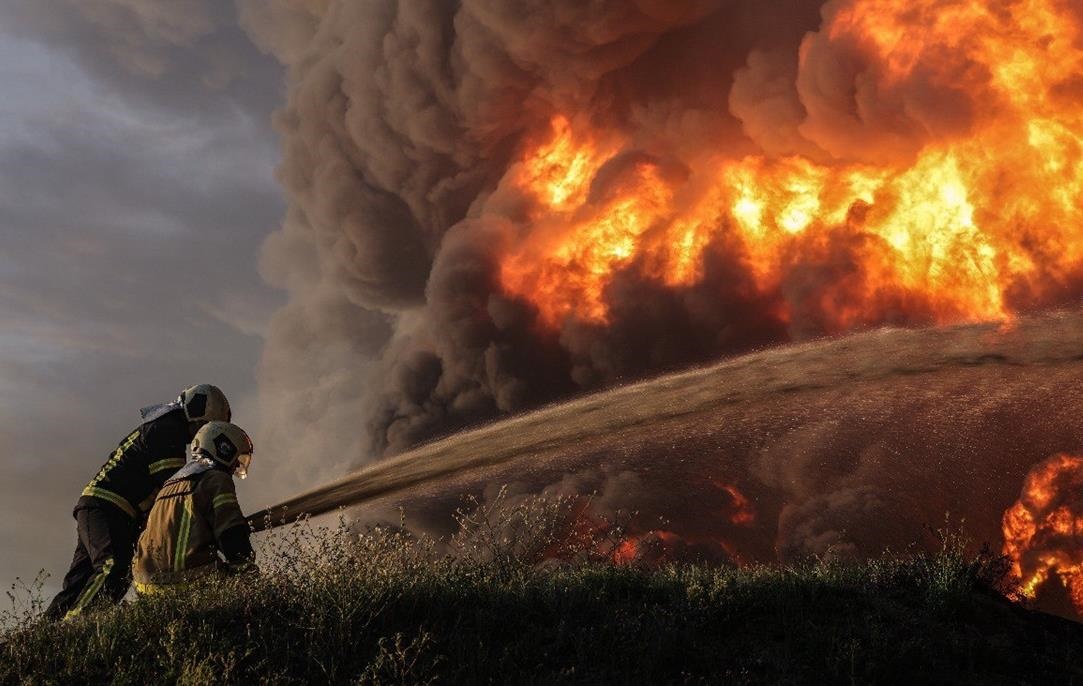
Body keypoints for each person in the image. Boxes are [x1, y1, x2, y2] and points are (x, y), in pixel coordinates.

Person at [44, 384, 231, 620]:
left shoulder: (162, 426)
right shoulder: (168, 430)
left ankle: (41, 635)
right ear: (198, 415)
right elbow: (172, 490)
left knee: (79, 580)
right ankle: (76, 629)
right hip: (110, 508)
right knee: (113, 568)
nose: (200, 436)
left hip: (99, 508)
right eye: (204, 427)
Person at [132, 421, 256, 594]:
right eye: (236, 458)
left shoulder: (170, 484)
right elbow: (230, 532)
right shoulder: (216, 479)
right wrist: (249, 574)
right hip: (187, 580)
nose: (236, 465)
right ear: (223, 448)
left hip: (146, 585)